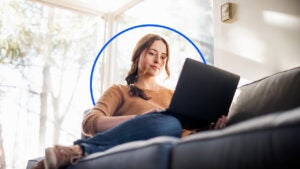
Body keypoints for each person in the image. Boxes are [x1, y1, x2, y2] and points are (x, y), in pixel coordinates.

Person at [34, 33, 227, 169]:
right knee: (168, 122)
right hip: (129, 143)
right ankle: (78, 150)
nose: (158, 60)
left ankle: (74, 152)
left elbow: (182, 136)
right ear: (138, 55)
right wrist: (138, 119)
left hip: (168, 142)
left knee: (172, 125)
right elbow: (89, 122)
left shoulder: (174, 96)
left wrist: (208, 131)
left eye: (163, 56)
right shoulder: (119, 91)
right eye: (152, 53)